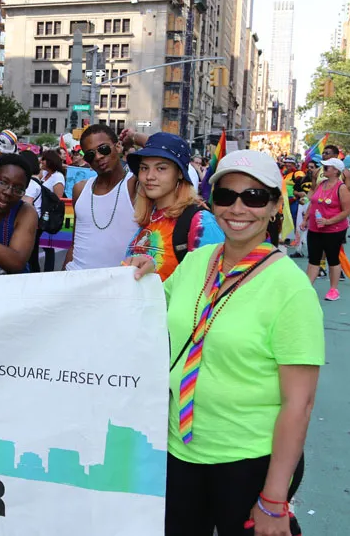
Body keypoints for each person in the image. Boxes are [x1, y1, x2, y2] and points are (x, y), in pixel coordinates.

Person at [126, 149, 323, 536]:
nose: (238, 208)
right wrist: (141, 278)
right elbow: (150, 316)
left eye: (254, 197)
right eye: (226, 195)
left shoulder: (291, 289)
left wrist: (274, 497)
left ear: (274, 207)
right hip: (178, 452)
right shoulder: (196, 262)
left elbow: (299, 404)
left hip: (248, 460)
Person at [124, 133, 224, 281]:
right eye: (144, 168)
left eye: (161, 168)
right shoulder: (149, 216)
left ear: (179, 173)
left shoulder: (200, 221)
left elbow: (214, 283)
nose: (149, 176)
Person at [64, 125, 140, 270]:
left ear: (118, 147)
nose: (98, 157)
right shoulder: (80, 189)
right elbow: (75, 244)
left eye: (103, 149)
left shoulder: (134, 185)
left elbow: (170, 153)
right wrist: (63, 277)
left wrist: (134, 137)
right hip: (76, 276)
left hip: (119, 280)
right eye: (90, 155)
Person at [302, 158, 350, 301]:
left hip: (333, 230)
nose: (323, 170)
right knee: (313, 259)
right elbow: (313, 203)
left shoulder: (341, 188)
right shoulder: (321, 184)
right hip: (315, 228)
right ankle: (307, 288)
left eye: (326, 167)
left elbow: (347, 210)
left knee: (332, 258)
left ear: (336, 171)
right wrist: (305, 219)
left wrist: (328, 221)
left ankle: (333, 290)